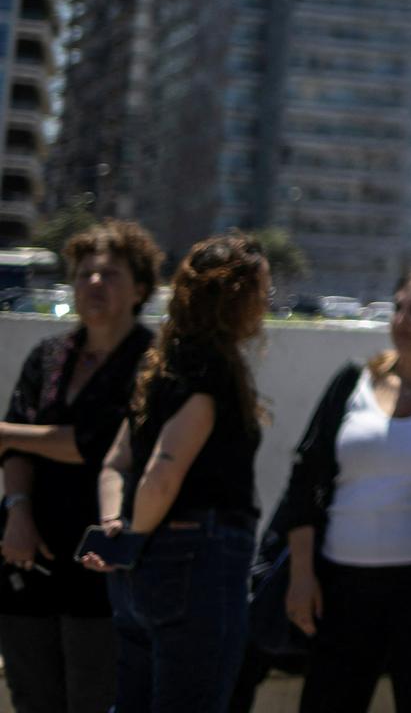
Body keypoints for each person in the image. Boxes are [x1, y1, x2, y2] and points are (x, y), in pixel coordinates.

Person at [84, 234, 270, 712]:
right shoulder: (211, 372)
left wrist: (115, 528)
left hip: (139, 576)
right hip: (197, 560)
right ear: (236, 298)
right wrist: (134, 540)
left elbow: (116, 463)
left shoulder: (160, 367)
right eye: (260, 291)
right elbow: (162, 474)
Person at [280, 264, 411, 713]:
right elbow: (303, 481)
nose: (402, 321)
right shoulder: (352, 383)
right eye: (399, 307)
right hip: (339, 585)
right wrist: (301, 577)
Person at [0, 222, 160, 713]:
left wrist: (4, 433)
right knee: (32, 695)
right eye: (85, 273)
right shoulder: (48, 356)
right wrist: (17, 511)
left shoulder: (151, 361)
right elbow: (18, 450)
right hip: (30, 552)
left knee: (95, 696)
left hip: (103, 558)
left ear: (139, 288)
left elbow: (90, 446)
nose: (94, 283)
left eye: (109, 274)